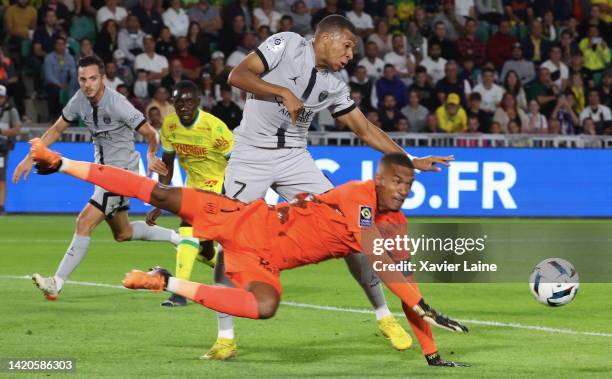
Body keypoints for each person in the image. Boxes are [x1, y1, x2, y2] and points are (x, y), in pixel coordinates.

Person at [29, 145, 469, 367]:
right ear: (380, 178)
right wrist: (421, 302)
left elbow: (400, 280)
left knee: (266, 306)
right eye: (397, 182)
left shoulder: (397, 225)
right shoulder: (361, 195)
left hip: (264, 261)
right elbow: (386, 267)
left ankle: (165, 281)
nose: (403, 191)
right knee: (161, 192)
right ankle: (61, 162)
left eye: (408, 186)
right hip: (248, 219)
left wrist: (430, 350)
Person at [217, 15, 454, 360]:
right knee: (231, 238)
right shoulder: (285, 45)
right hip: (250, 155)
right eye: (347, 46)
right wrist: (282, 91)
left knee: (351, 228)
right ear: (326, 38)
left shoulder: (334, 84)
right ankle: (225, 337)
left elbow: (366, 129)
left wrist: (410, 160)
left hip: (295, 159)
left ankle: (384, 316)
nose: (350, 55)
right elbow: (237, 75)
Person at [12, 56, 178, 300]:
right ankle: (177, 237)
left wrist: (151, 153)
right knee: (123, 233)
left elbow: (150, 132)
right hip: (103, 174)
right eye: (82, 79)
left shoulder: (118, 103)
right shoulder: (79, 100)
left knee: (84, 222)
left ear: (102, 78)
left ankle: (56, 282)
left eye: (92, 78)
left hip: (121, 174)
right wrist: (31, 157)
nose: (87, 84)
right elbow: (57, 128)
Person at [145, 81, 233, 307]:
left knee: (188, 230)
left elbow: (237, 164)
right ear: (172, 103)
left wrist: (234, 198)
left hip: (218, 186)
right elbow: (167, 166)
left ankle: (180, 292)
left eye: (189, 101)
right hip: (192, 186)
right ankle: (236, 275)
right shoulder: (170, 126)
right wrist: (159, 202)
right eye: (179, 102)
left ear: (198, 102)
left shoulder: (215, 127)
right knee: (203, 250)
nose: (184, 106)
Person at [0, 85, 21, 215]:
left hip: (1, 149)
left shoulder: (10, 110)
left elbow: (17, 129)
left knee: (1, 178)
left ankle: (1, 205)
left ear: (5, 98)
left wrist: (3, 132)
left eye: (1, 97)